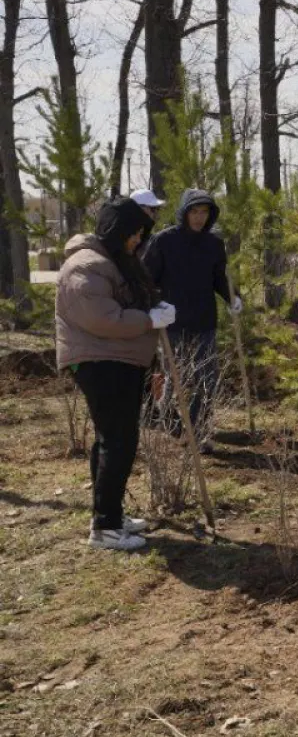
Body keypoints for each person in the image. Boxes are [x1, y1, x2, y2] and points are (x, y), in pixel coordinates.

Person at [55, 197, 177, 551]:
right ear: (116, 230)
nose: (137, 241)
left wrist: (156, 307)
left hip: (119, 359)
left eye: (141, 234)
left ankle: (108, 514)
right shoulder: (86, 266)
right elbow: (102, 318)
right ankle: (105, 527)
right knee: (118, 440)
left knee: (112, 440)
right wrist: (148, 320)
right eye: (133, 234)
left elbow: (129, 301)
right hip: (100, 361)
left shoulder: (114, 261)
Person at [142, 189, 241, 447]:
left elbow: (219, 277)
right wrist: (153, 306)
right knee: (174, 378)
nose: (199, 218)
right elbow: (146, 279)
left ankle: (198, 432)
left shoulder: (213, 244)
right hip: (172, 323)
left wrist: (233, 298)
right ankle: (170, 426)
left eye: (204, 212)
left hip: (204, 321)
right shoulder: (164, 242)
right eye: (194, 212)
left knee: (206, 378)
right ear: (184, 213)